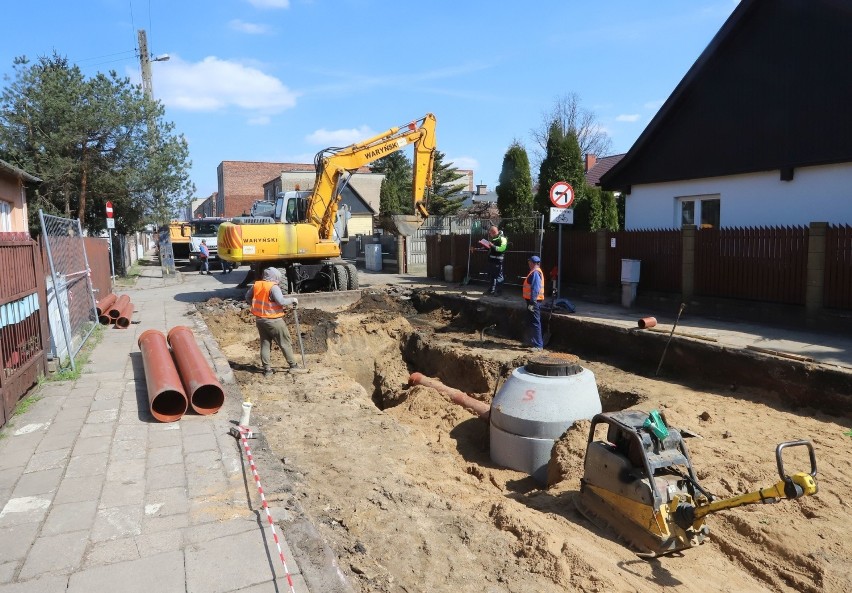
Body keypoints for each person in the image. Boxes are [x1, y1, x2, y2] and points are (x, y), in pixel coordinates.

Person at [246, 267, 301, 377]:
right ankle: (293, 366)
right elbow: (281, 301)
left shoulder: (256, 285)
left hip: (260, 320)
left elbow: (247, 297)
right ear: (275, 277)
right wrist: (293, 300)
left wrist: (258, 307)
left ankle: (267, 370)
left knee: (265, 344)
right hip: (274, 320)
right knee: (285, 343)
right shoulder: (273, 287)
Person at [523, 255, 545, 350]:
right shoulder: (534, 272)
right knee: (530, 321)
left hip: (534, 302)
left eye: (529, 262)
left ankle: (538, 345)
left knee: (535, 322)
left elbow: (535, 288)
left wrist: (532, 302)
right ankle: (530, 342)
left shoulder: (535, 273)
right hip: (531, 301)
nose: (529, 264)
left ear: (532, 263)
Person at [481, 225, 508, 295]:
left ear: (494, 232)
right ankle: (491, 290)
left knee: (499, 277)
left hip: (498, 261)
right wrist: (485, 245)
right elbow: (491, 248)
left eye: (490, 233)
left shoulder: (502, 238)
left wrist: (492, 245)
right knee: (492, 276)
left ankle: (499, 291)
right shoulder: (494, 238)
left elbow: (502, 249)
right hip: (491, 261)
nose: (489, 234)